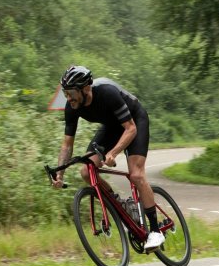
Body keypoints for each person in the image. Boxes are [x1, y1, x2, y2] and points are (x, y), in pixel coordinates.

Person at [50, 65, 165, 251]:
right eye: (65, 93)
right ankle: (121, 207)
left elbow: (130, 128)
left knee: (136, 175)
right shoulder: (72, 107)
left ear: (86, 89)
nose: (68, 97)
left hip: (134, 121)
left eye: (71, 92)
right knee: (87, 171)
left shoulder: (107, 93)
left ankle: (155, 231)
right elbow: (67, 145)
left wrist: (114, 153)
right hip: (111, 127)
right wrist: (60, 173)